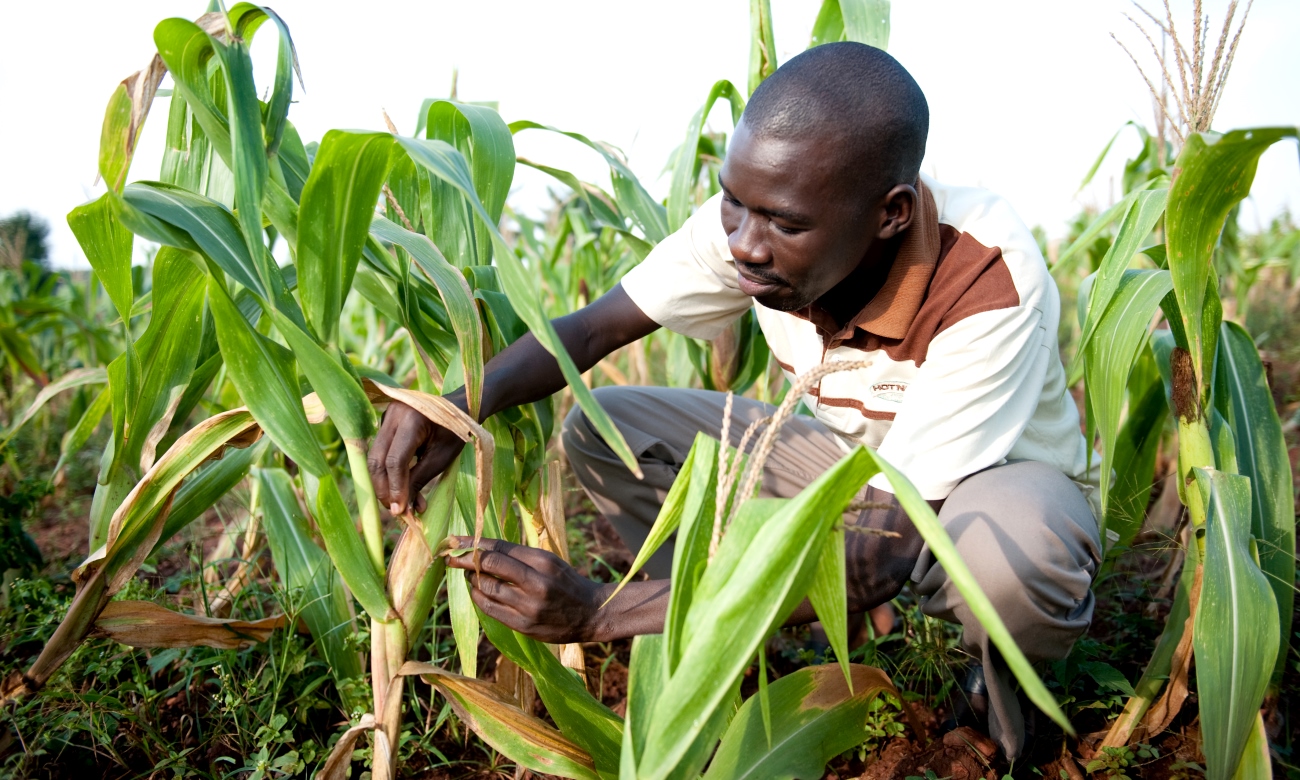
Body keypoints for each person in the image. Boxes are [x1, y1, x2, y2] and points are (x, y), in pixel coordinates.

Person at [367, 42, 1101, 760]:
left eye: (783, 224)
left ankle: (994, 709)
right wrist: (457, 405)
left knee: (1017, 558)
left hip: (981, 495)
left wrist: (599, 610)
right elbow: (593, 328)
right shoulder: (756, 226)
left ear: (891, 214)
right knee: (610, 429)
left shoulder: (985, 279)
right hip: (858, 475)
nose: (746, 244)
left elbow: (887, 547)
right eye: (733, 204)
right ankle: (724, 649)